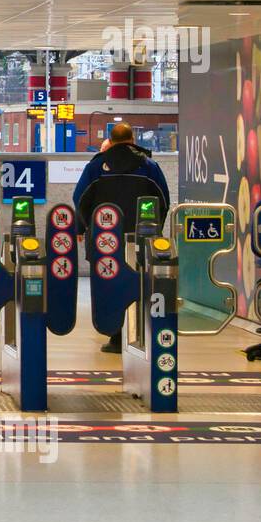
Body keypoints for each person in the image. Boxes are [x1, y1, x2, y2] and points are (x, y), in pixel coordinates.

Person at [72, 122, 171, 353]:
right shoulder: (149, 166)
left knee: (108, 282)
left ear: (111, 140)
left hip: (104, 239)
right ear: (132, 139)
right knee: (140, 282)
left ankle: (115, 335)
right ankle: (140, 334)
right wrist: (155, 231)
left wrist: (84, 228)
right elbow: (163, 201)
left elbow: (80, 199)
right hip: (141, 238)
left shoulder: (96, 166)